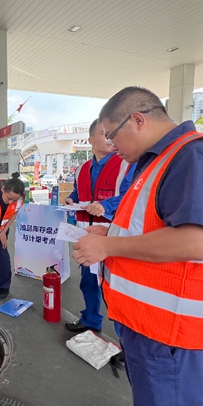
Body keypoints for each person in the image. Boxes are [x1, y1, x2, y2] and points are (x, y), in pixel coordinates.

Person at [72, 87, 203, 406]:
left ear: (137, 120)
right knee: (155, 402)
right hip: (146, 322)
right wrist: (110, 233)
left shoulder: (194, 157)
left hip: (174, 330)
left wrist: (108, 247)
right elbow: (151, 227)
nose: (112, 146)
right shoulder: (158, 162)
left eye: (112, 135)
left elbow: (195, 241)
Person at [64, 120, 134, 334]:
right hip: (86, 236)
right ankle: (91, 320)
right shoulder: (81, 169)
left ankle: (126, 341)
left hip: (114, 238)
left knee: (117, 290)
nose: (110, 138)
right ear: (91, 140)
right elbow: (77, 193)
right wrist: (71, 199)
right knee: (88, 283)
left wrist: (106, 206)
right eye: (104, 134)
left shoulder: (126, 164)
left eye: (111, 133)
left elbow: (132, 197)